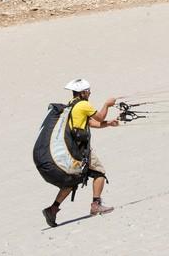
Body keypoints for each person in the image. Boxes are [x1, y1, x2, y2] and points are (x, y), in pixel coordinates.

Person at [41, 78, 119, 227]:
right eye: (88, 90)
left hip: (72, 150)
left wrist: (108, 124)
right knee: (99, 173)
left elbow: (90, 123)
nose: (90, 93)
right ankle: (96, 205)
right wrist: (107, 105)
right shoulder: (83, 104)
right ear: (83, 92)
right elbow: (99, 117)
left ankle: (53, 209)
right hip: (81, 150)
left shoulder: (72, 105)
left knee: (71, 180)